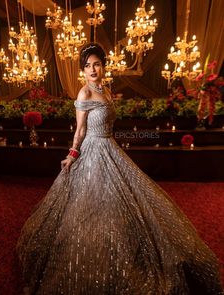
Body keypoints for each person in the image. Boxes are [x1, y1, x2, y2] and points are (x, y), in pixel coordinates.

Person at [16, 43, 223, 295]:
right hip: (92, 150)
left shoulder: (107, 90)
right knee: (90, 208)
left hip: (111, 148)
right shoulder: (84, 94)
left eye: (97, 64)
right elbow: (80, 130)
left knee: (127, 204)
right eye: (88, 66)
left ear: (103, 67)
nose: (93, 69)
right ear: (83, 70)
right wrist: (72, 155)